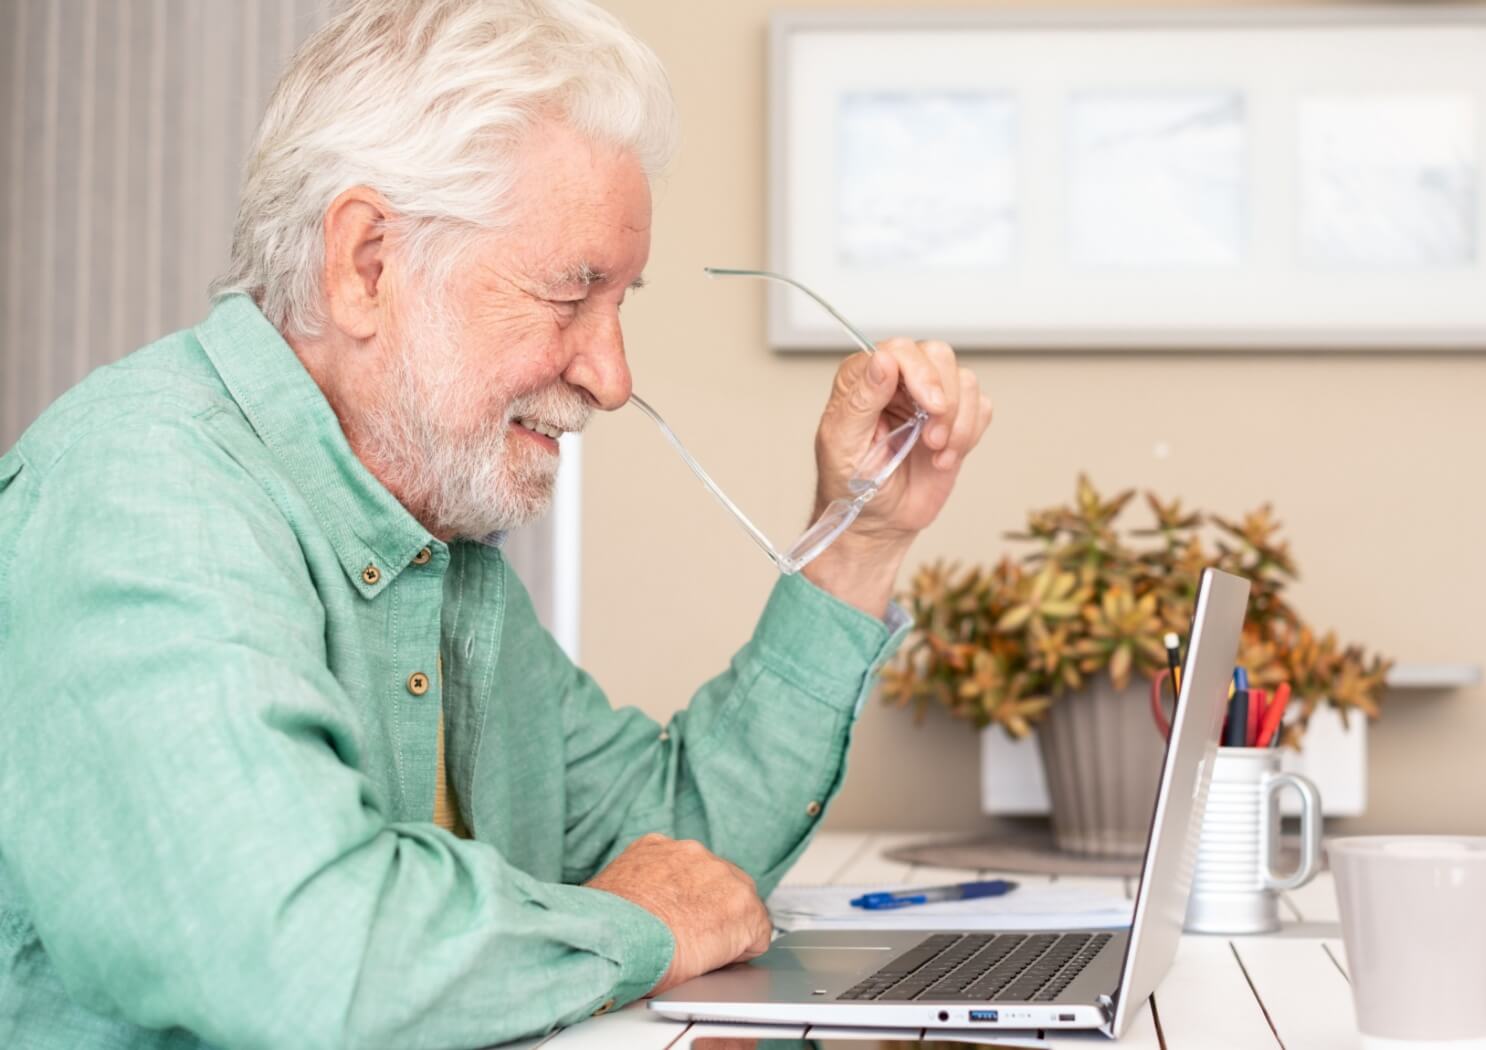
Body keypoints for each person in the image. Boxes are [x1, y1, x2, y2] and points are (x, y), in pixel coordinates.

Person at [0, 1, 991, 1047]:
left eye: (621, 304)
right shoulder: (137, 495)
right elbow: (299, 959)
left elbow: (684, 850)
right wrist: (631, 925)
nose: (612, 379)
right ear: (366, 262)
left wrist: (860, 543)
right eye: (571, 298)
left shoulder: (434, 546)